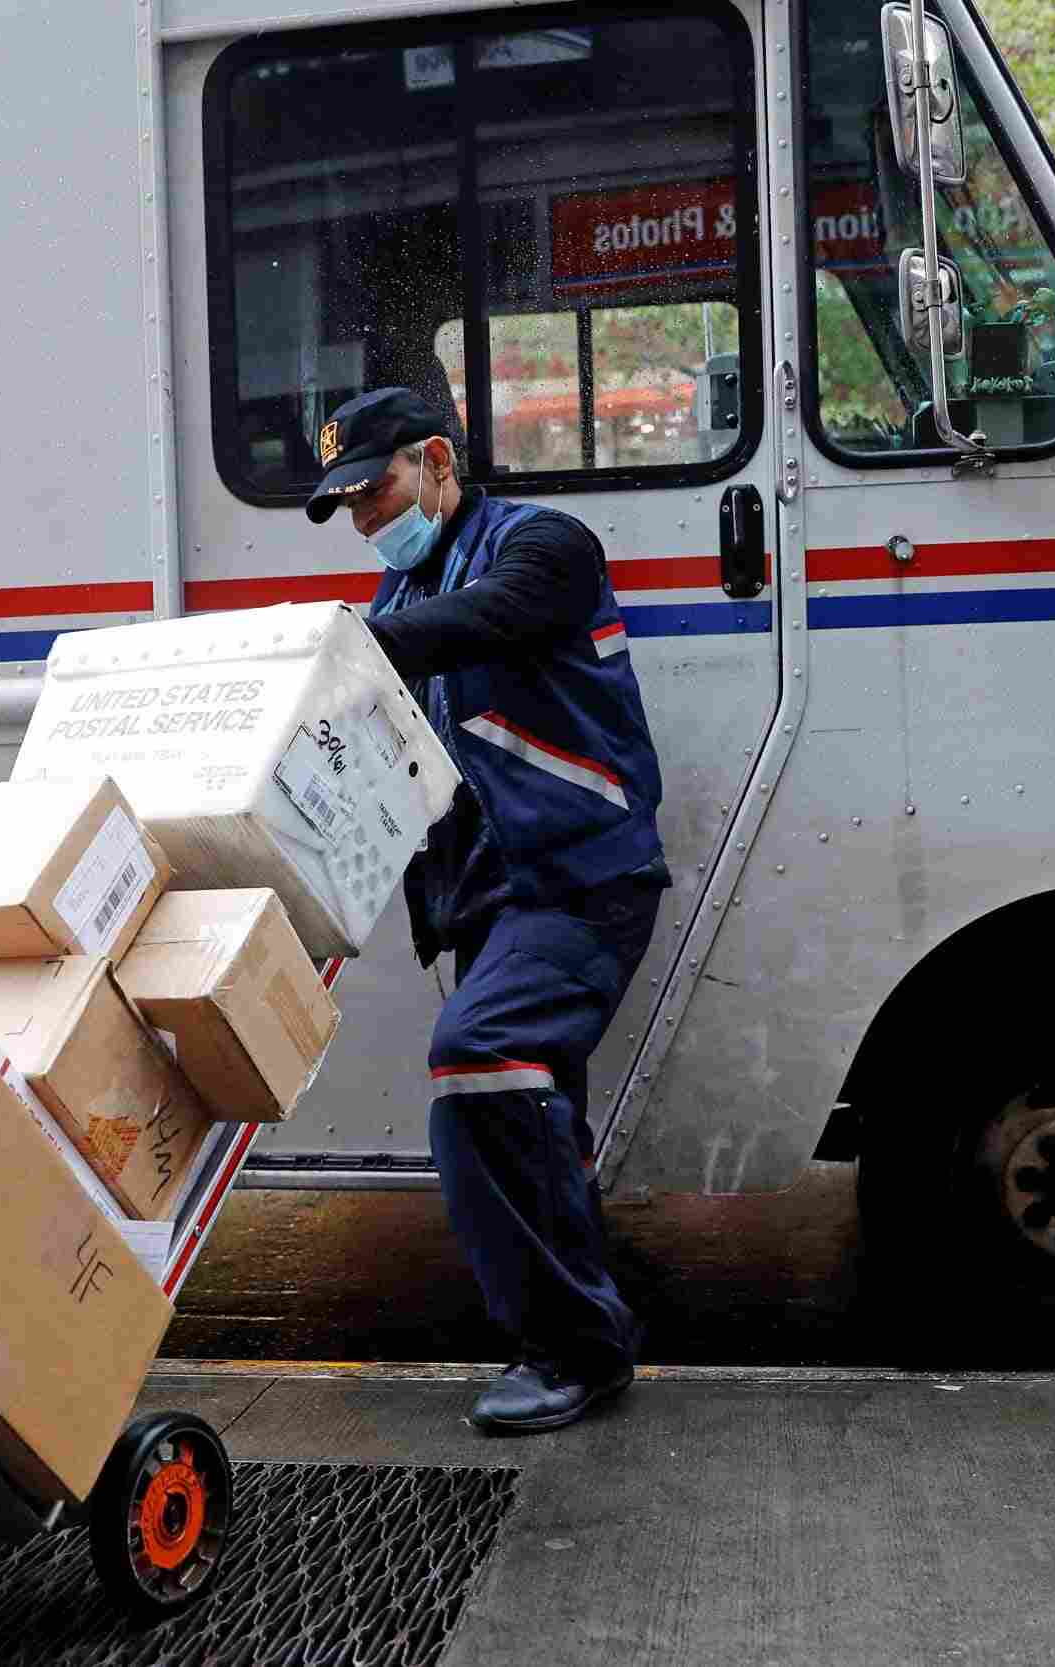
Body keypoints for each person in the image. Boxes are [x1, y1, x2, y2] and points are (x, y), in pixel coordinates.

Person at [306, 387, 671, 1434]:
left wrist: (336, 652)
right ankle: (583, 1322)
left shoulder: (543, 546)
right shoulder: (400, 594)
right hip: (490, 904)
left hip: (578, 882)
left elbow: (480, 620)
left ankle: (574, 1350)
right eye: (349, 507)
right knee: (534, 1108)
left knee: (481, 1058)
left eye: (375, 491)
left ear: (436, 459)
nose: (367, 519)